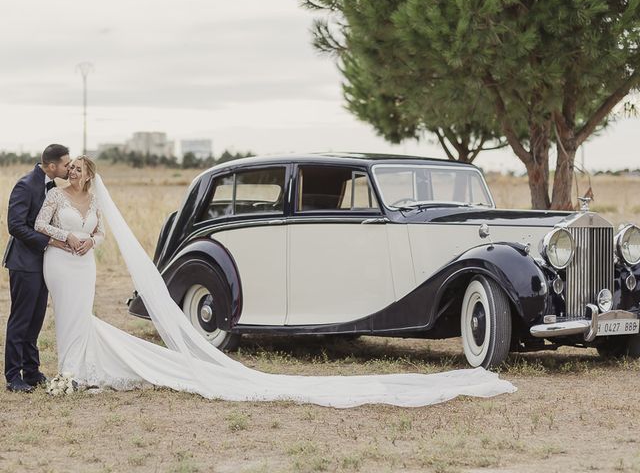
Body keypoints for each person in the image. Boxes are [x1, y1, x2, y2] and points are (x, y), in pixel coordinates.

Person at [34, 155, 516, 407]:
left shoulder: (85, 197)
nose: (73, 172)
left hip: (79, 257)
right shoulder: (59, 196)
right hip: (64, 262)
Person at [3, 144, 71, 393]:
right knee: (21, 320)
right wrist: (48, 242)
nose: (68, 167)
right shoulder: (25, 185)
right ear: (52, 166)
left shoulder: (53, 187)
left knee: (36, 320)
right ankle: (13, 377)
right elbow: (15, 226)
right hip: (24, 263)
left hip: (45, 264)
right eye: (66, 163)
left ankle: (31, 372)